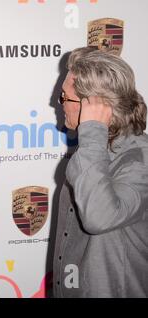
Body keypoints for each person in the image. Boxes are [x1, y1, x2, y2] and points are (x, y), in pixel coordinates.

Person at [53, 47, 148, 297]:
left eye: (65, 97)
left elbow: (99, 218)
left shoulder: (140, 160)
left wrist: (93, 130)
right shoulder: (94, 151)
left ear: (95, 106)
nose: (58, 103)